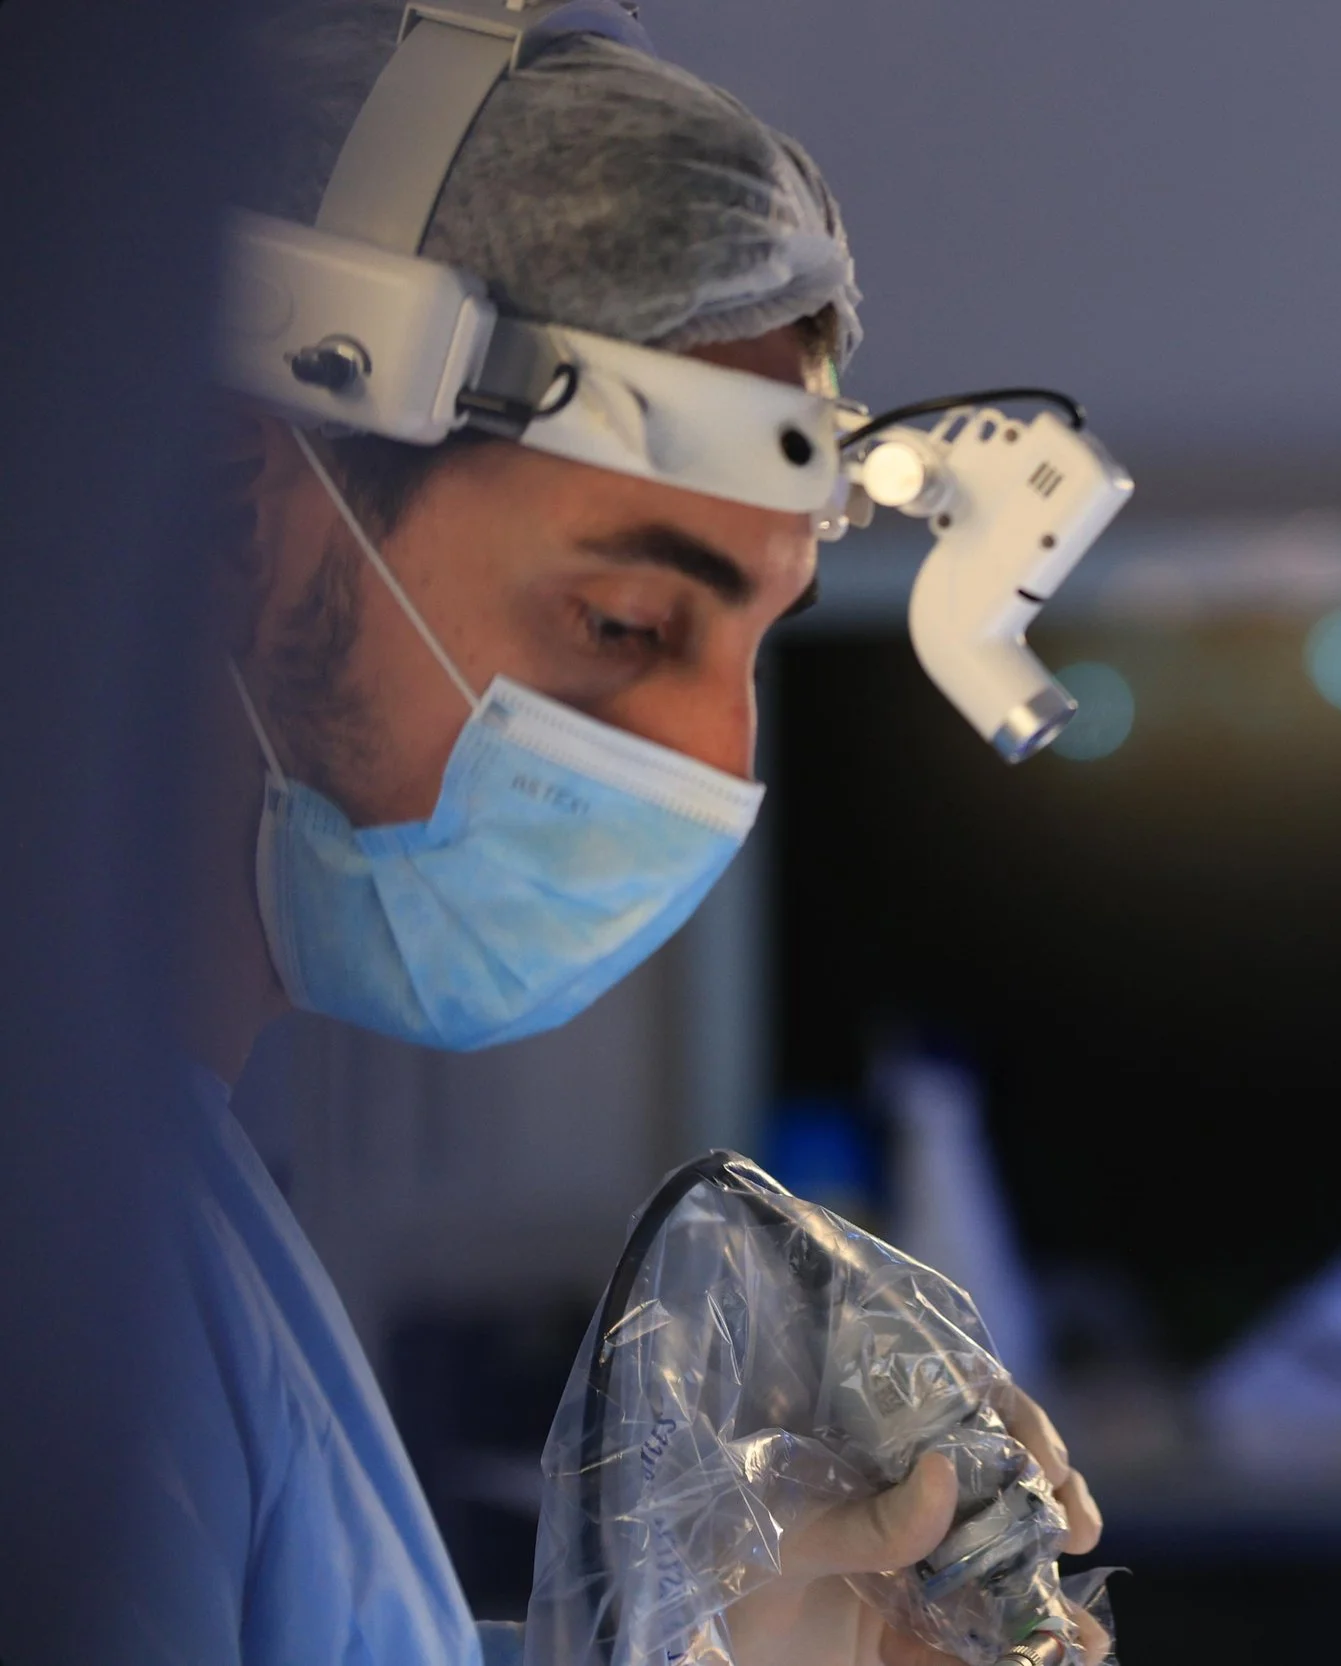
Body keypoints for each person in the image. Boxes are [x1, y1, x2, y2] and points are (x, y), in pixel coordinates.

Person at [155, 2, 1104, 1662]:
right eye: (626, 622)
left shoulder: (172, 1199)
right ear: (242, 515)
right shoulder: (67, 1262)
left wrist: (713, 1634)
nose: (713, 760)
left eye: (756, 645)